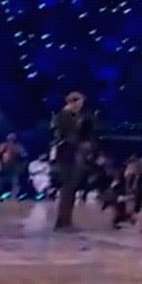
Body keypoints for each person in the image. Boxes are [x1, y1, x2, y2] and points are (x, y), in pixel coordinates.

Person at [52, 91, 90, 231]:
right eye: (80, 103)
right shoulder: (64, 116)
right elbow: (66, 136)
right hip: (66, 156)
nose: (81, 106)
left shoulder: (75, 117)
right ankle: (62, 221)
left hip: (72, 155)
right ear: (73, 102)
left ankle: (66, 220)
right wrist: (80, 143)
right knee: (67, 189)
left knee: (70, 189)